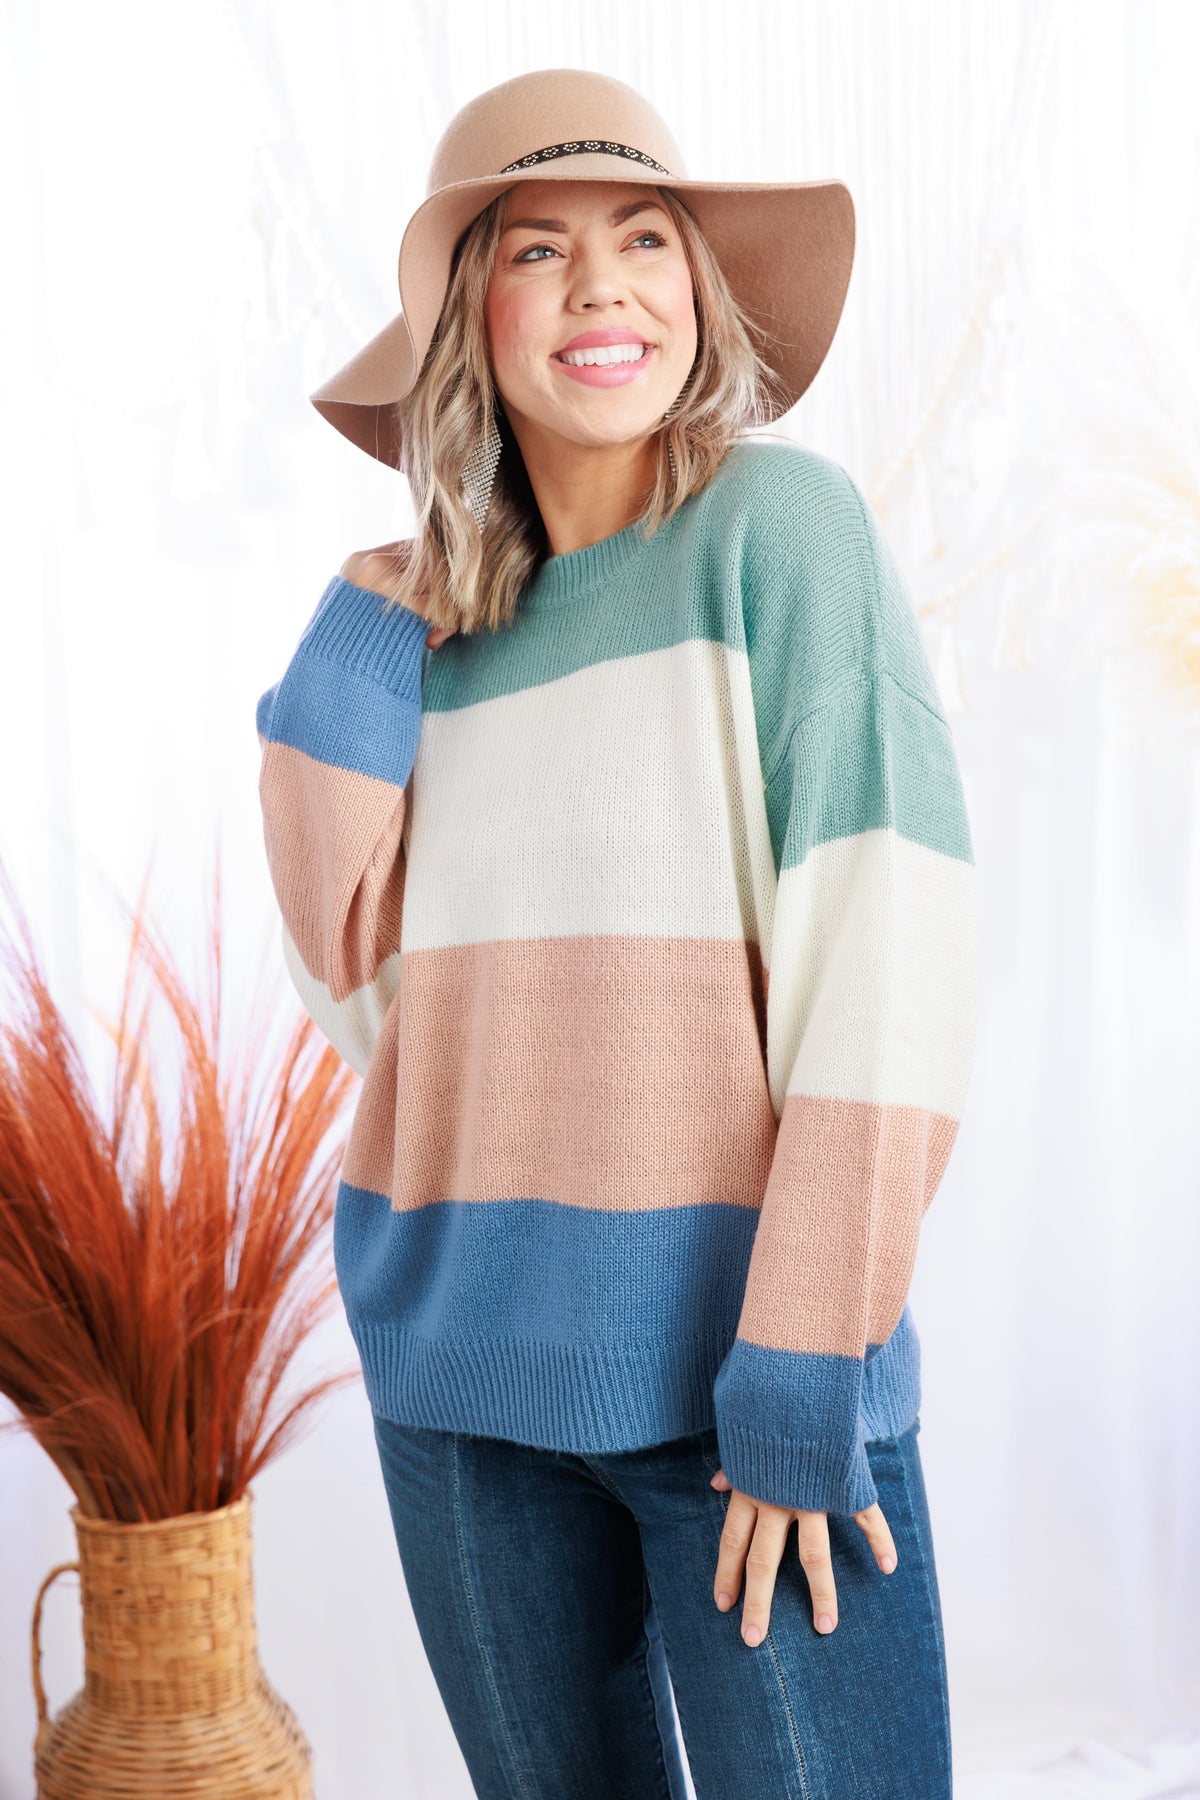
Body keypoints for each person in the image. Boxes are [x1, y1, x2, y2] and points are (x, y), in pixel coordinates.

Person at [256, 67, 979, 1800]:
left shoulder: (779, 532)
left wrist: (805, 1363)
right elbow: (347, 968)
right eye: (538, 248)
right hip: (462, 1393)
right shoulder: (431, 637)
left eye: (646, 238)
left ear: (699, 291)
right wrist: (372, 618)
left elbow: (888, 962)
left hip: (751, 1390)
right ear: (467, 322)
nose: (603, 285)